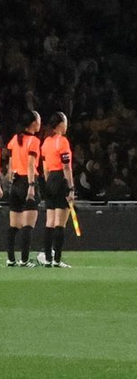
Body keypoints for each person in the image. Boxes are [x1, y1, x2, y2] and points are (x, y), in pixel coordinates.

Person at [5, 110, 41, 267]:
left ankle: (11, 259)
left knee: (14, 225)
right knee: (28, 225)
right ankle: (24, 260)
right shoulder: (33, 141)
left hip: (16, 181)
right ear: (33, 123)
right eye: (39, 120)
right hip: (28, 181)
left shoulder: (15, 139)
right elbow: (31, 163)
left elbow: (11, 161)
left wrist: (10, 176)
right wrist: (32, 185)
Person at [39, 113, 75, 268]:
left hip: (50, 181)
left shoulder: (46, 142)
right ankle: (57, 260)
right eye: (65, 122)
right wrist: (71, 187)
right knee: (60, 223)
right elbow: (66, 166)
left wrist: (49, 184)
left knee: (50, 221)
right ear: (61, 124)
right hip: (61, 179)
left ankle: (47, 258)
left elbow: (45, 168)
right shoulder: (63, 142)